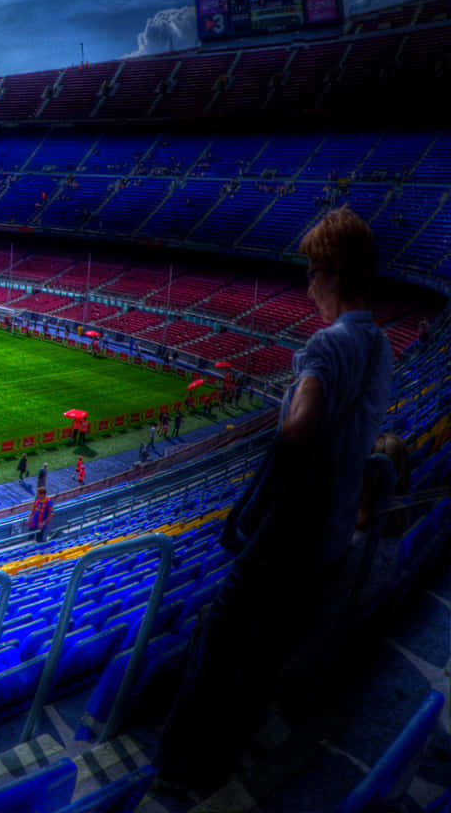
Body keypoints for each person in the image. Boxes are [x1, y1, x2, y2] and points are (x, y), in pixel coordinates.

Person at [157, 208, 392, 795]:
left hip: (286, 538)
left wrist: (257, 507)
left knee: (219, 638)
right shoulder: (380, 345)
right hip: (330, 537)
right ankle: (222, 763)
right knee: (262, 655)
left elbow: (300, 427)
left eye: (313, 272)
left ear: (333, 273)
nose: (308, 285)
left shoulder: (327, 343)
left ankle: (178, 772)